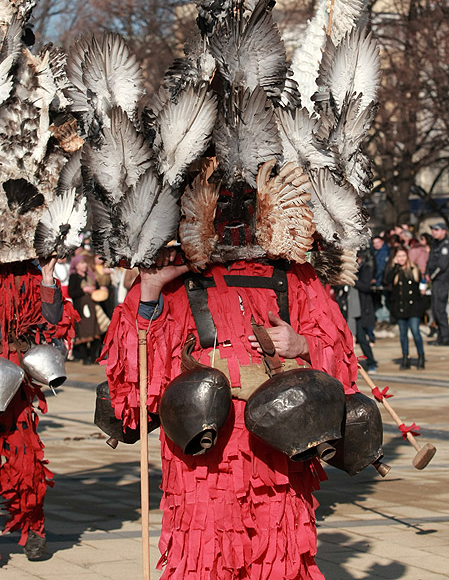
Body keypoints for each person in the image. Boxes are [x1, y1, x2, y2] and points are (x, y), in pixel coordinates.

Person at [101, 246, 359, 580]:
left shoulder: (292, 274)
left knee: (279, 547)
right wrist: (150, 290)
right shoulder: (176, 275)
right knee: (207, 550)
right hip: (205, 446)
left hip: (280, 446)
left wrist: (302, 344)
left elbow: (341, 353)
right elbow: (134, 373)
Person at [0, 257, 78, 559]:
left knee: (26, 460)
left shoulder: (28, 274)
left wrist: (47, 278)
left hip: (14, 383)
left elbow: (51, 322)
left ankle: (34, 528)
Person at [384, 248, 426, 369]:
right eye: (399, 256)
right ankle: (405, 358)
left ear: (407, 257)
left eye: (403, 256)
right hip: (400, 307)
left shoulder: (413, 269)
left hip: (413, 307)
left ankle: (421, 356)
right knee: (403, 335)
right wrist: (395, 266)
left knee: (415, 332)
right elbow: (387, 280)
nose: (401, 258)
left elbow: (421, 283)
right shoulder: (395, 270)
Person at [68, 255, 102, 363]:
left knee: (94, 331)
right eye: (81, 263)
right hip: (81, 308)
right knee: (82, 333)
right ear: (76, 265)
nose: (84, 265)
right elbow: (71, 292)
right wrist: (84, 290)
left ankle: (93, 357)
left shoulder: (90, 275)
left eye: (84, 263)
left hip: (92, 306)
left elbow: (98, 286)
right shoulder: (74, 277)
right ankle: (84, 357)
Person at [426, 221, 449, 346]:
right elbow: (430, 261)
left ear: (443, 231)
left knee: (440, 309)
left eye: (436, 230)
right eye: (433, 230)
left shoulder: (445, 245)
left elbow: (442, 265)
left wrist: (431, 275)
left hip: (442, 281)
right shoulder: (435, 244)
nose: (433, 232)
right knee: (435, 309)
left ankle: (445, 337)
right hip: (435, 281)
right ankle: (441, 336)